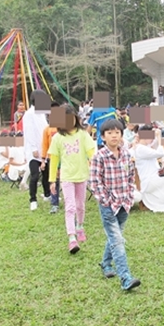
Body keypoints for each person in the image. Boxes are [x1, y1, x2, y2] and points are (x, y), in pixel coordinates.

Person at [89, 120, 143, 291]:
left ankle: (105, 263)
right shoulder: (99, 156)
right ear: (103, 136)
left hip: (124, 203)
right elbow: (95, 182)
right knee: (117, 240)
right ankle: (125, 278)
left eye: (117, 132)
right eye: (110, 133)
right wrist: (105, 200)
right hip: (108, 205)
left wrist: (129, 195)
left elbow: (130, 176)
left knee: (115, 237)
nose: (114, 135)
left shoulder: (126, 154)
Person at [48, 105, 95, 253]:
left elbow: (91, 152)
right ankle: (72, 238)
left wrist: (96, 166)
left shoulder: (83, 135)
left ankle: (80, 226)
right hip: (66, 177)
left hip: (82, 175)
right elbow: (54, 160)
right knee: (70, 207)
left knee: (80, 205)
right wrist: (51, 180)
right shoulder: (57, 138)